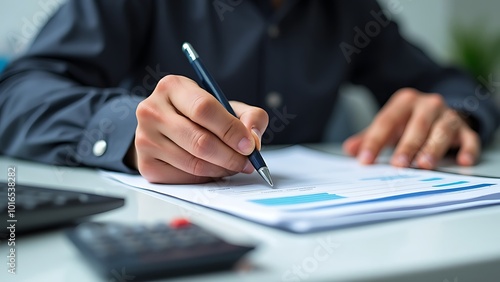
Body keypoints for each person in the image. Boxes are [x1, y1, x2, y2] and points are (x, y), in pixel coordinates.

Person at [0, 0, 497, 184]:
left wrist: (455, 114)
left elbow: (454, 85)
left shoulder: (350, 11)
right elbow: (16, 95)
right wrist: (129, 127)